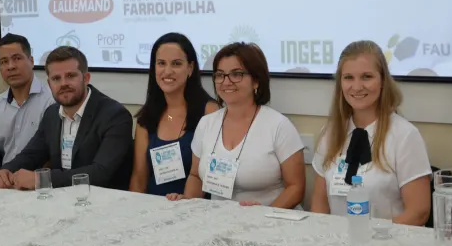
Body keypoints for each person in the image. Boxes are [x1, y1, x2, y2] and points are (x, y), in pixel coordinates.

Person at [167, 42, 305, 207]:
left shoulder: (279, 125)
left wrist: (264, 216)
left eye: (236, 74)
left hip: (270, 224)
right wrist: (187, 203)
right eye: (220, 75)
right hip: (219, 221)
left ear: (256, 81)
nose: (226, 82)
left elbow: (296, 187)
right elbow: (196, 176)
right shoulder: (206, 123)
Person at [310, 41, 432, 223]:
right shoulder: (330, 133)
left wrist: (370, 237)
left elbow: (419, 211)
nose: (357, 86)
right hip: (336, 244)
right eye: (348, 77)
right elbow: (319, 203)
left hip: (387, 245)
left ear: (383, 81)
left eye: (367, 77)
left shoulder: (405, 136)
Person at [0, 46, 133, 190]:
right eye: (56, 78)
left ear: (86, 78)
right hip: (61, 201)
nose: (63, 83)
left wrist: (42, 180)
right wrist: (6, 170)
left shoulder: (115, 116)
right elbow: (31, 154)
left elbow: (101, 173)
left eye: (70, 76)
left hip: (104, 202)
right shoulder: (51, 114)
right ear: (49, 84)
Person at [129, 33, 219, 196]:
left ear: (190, 68)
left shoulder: (210, 112)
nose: (168, 71)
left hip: (194, 210)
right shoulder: (146, 118)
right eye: (161, 63)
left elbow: (215, 178)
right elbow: (139, 179)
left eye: (176, 64)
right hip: (152, 209)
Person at [0, 33, 54, 169]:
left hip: (39, 182)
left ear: (31, 61)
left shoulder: (51, 101)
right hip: (4, 180)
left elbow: (53, 156)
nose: (10, 67)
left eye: (17, 58)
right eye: (4, 62)